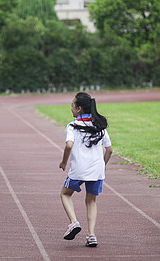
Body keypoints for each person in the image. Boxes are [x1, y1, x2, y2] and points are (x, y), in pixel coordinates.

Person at [59, 92, 113, 247]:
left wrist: (63, 162)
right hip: (96, 171)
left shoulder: (72, 126)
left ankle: (74, 222)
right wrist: (103, 165)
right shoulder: (100, 126)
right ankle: (91, 235)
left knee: (65, 194)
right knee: (91, 201)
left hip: (79, 170)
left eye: (72, 106)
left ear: (79, 109)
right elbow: (109, 150)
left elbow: (69, 145)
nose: (71, 109)